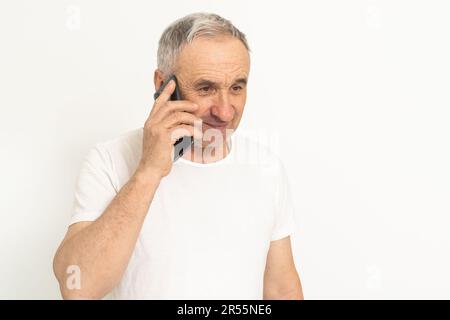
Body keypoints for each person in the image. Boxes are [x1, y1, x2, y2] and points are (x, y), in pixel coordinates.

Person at [53, 12, 304, 300]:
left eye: (236, 87)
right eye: (206, 88)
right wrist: (148, 171)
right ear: (163, 84)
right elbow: (79, 287)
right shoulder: (110, 159)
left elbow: (282, 288)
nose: (224, 111)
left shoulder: (266, 167)